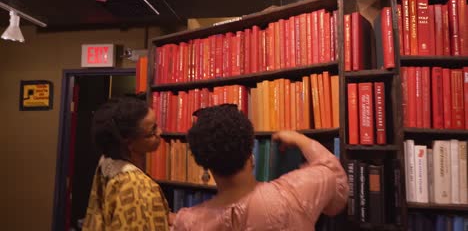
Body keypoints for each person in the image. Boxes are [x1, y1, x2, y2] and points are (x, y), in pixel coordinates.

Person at [171, 104, 349, 231]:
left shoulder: (188, 223)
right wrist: (301, 140)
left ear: (204, 165)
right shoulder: (295, 194)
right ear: (251, 154)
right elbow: (337, 183)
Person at [82, 96, 171, 231]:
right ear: (129, 143)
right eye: (153, 130)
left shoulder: (106, 163)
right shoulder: (140, 186)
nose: (160, 132)